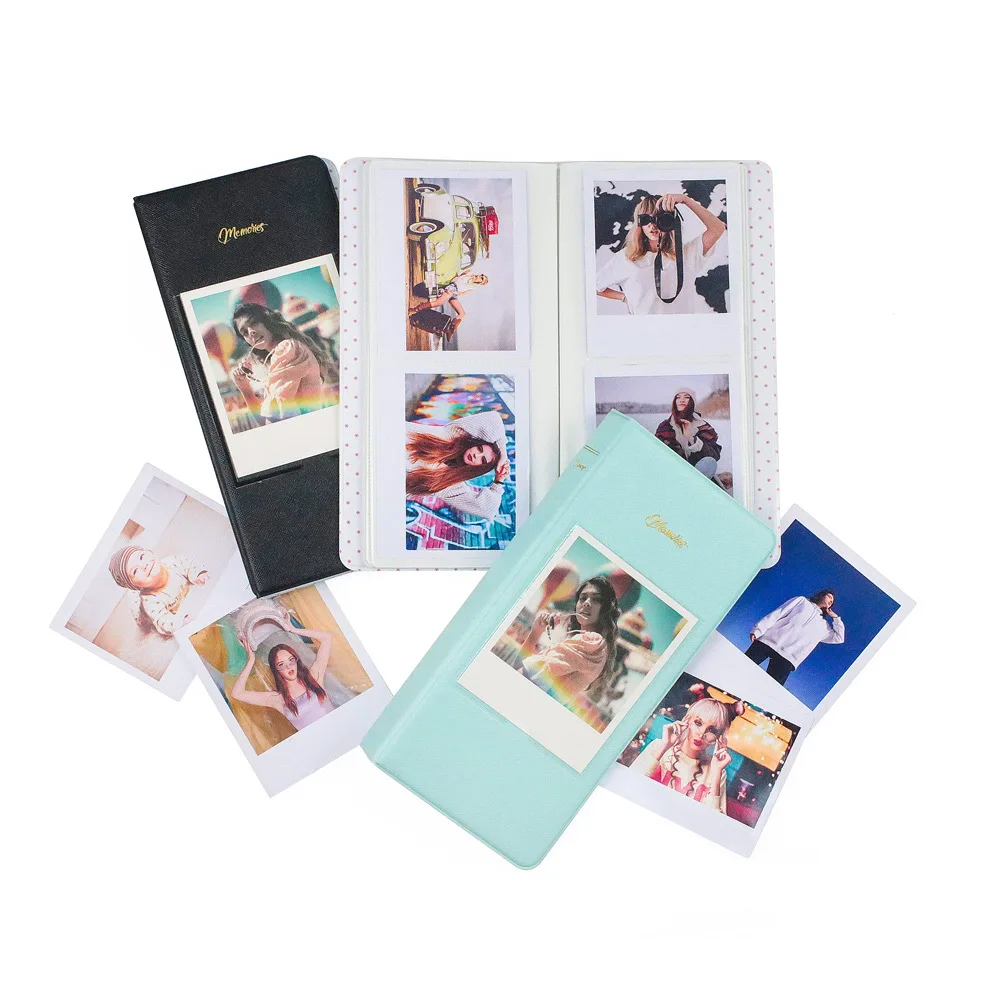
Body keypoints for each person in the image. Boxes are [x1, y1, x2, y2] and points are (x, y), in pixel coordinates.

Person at [596, 192, 727, 315]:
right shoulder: (626, 258)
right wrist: (624, 298)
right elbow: (594, 286)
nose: (652, 225)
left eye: (659, 218)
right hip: (644, 328)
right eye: (645, 219)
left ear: (670, 222)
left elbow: (718, 228)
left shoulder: (686, 254)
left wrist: (685, 200)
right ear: (639, 223)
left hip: (682, 328)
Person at [229, 611, 349, 731]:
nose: (289, 667)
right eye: (281, 664)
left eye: (291, 660)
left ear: (296, 660)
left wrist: (293, 629)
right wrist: (251, 660)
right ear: (276, 670)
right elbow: (237, 693)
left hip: (340, 730)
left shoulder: (314, 677)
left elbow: (327, 637)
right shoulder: (277, 699)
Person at [229, 302, 337, 425]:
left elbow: (271, 422)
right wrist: (245, 388)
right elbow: (267, 421)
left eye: (253, 322)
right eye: (244, 332)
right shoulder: (280, 354)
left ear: (266, 320)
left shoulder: (287, 349)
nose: (251, 332)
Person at [632, 696, 745, 813]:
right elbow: (630, 784)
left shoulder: (717, 771)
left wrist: (716, 773)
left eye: (712, 730)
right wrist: (663, 747)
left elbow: (712, 821)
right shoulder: (658, 746)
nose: (701, 734)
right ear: (687, 720)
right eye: (698, 723)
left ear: (718, 737)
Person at [520, 577, 622, 705]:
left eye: (596, 599)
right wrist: (536, 633)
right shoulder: (589, 642)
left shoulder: (592, 641)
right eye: (582, 598)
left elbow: (524, 671)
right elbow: (523, 669)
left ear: (605, 609)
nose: (587, 603)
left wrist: (535, 635)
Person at [406, 410, 511, 520]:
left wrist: (498, 482)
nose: (476, 455)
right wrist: (503, 453)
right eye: (479, 449)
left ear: (480, 468)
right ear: (474, 444)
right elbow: (494, 418)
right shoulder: (452, 433)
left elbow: (487, 510)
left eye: (483, 460)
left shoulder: (448, 484)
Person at [745, 590, 845, 686]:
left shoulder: (824, 626)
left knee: (769, 690)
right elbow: (778, 613)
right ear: (822, 595)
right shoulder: (802, 601)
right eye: (829, 596)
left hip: (788, 658)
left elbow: (839, 638)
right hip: (767, 643)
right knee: (742, 667)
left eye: (832, 601)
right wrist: (758, 630)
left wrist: (836, 618)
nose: (831, 600)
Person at [108, 545, 208, 636]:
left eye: (141, 557)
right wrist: (180, 622)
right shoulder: (150, 600)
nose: (143, 565)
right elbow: (163, 621)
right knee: (143, 621)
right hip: (142, 612)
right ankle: (133, 595)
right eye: (135, 571)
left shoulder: (172, 563)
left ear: (150, 552)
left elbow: (189, 564)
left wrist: (198, 574)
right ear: (135, 585)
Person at [654, 388, 722, 480]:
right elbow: (657, 453)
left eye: (686, 397)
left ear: (692, 402)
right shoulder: (665, 426)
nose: (681, 400)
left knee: (709, 463)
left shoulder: (703, 425)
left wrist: (691, 438)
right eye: (678, 397)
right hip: (673, 473)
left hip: (697, 475)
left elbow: (714, 455)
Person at [409, 271, 489, 342]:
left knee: (462, 314)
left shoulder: (472, 288)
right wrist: (449, 288)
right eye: (482, 275)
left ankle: (450, 331)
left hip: (455, 293)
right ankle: (415, 309)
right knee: (438, 303)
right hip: (452, 288)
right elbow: (456, 278)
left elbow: (461, 293)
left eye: (482, 278)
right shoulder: (469, 273)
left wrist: (455, 293)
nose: (480, 276)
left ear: (481, 283)